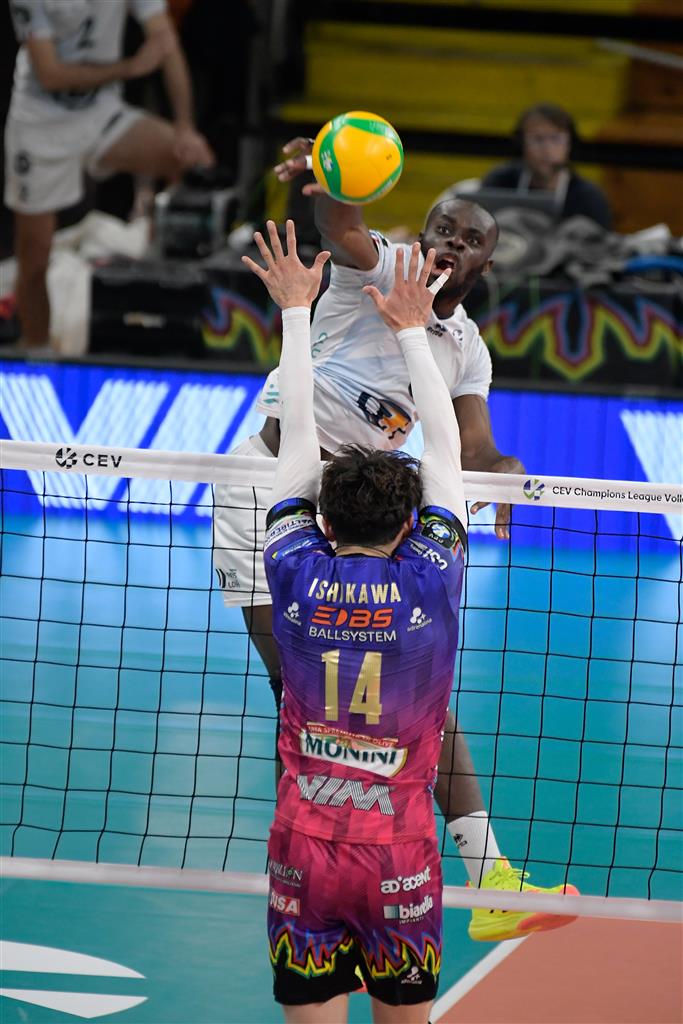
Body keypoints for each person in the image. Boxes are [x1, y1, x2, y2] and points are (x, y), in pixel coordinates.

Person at [214, 140, 578, 944]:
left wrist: (508, 471)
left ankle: (491, 877)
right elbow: (338, 225)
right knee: (301, 694)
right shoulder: (385, 268)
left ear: (485, 261)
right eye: (442, 230)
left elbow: (475, 448)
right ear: (423, 235)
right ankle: (308, 864)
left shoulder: (465, 347)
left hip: (360, 511)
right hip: (267, 491)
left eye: (468, 239)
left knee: (417, 691)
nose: (450, 245)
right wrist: (334, 175)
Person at [252, 219, 465, 1021]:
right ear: (411, 523)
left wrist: (294, 313)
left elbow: (297, 442)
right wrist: (413, 329)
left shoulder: (293, 567)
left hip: (303, 849)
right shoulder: (429, 577)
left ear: (323, 521)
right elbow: (443, 452)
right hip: (398, 853)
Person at [5, 0, 214, 352]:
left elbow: (165, 42)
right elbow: (50, 74)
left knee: (193, 162)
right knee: (34, 255)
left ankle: (158, 273)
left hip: (101, 110)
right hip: (40, 120)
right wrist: (130, 68)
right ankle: (37, 350)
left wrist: (185, 126)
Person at [478, 103, 612, 229]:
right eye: (537, 139)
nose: (547, 149)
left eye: (556, 139)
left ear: (570, 145)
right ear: (521, 144)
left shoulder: (589, 198)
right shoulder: (499, 183)